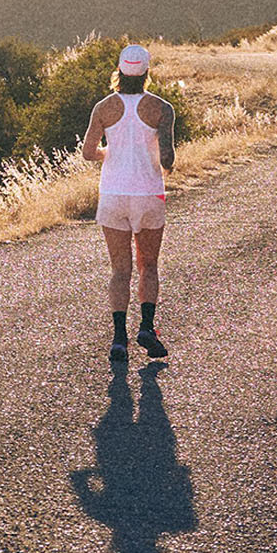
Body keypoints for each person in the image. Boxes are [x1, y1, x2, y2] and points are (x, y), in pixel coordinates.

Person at [83, 43, 175, 364]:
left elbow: (88, 152)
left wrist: (111, 153)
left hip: (113, 195)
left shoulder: (103, 107)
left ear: (119, 72)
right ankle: (147, 326)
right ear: (147, 72)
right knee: (148, 265)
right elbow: (168, 160)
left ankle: (119, 339)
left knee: (120, 269)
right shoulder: (162, 108)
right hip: (148, 194)